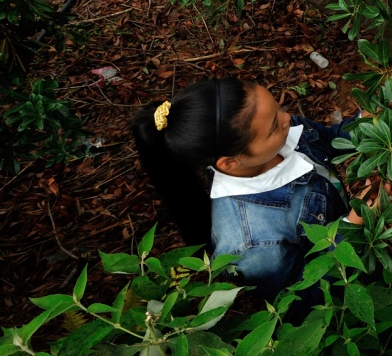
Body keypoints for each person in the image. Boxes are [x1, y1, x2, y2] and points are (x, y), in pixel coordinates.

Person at [131, 78, 359, 300]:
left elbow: (330, 139)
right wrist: (357, 224)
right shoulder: (250, 242)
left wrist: (366, 123)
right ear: (230, 162)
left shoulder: (280, 132)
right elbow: (303, 295)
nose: (287, 118)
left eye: (278, 109)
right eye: (273, 126)